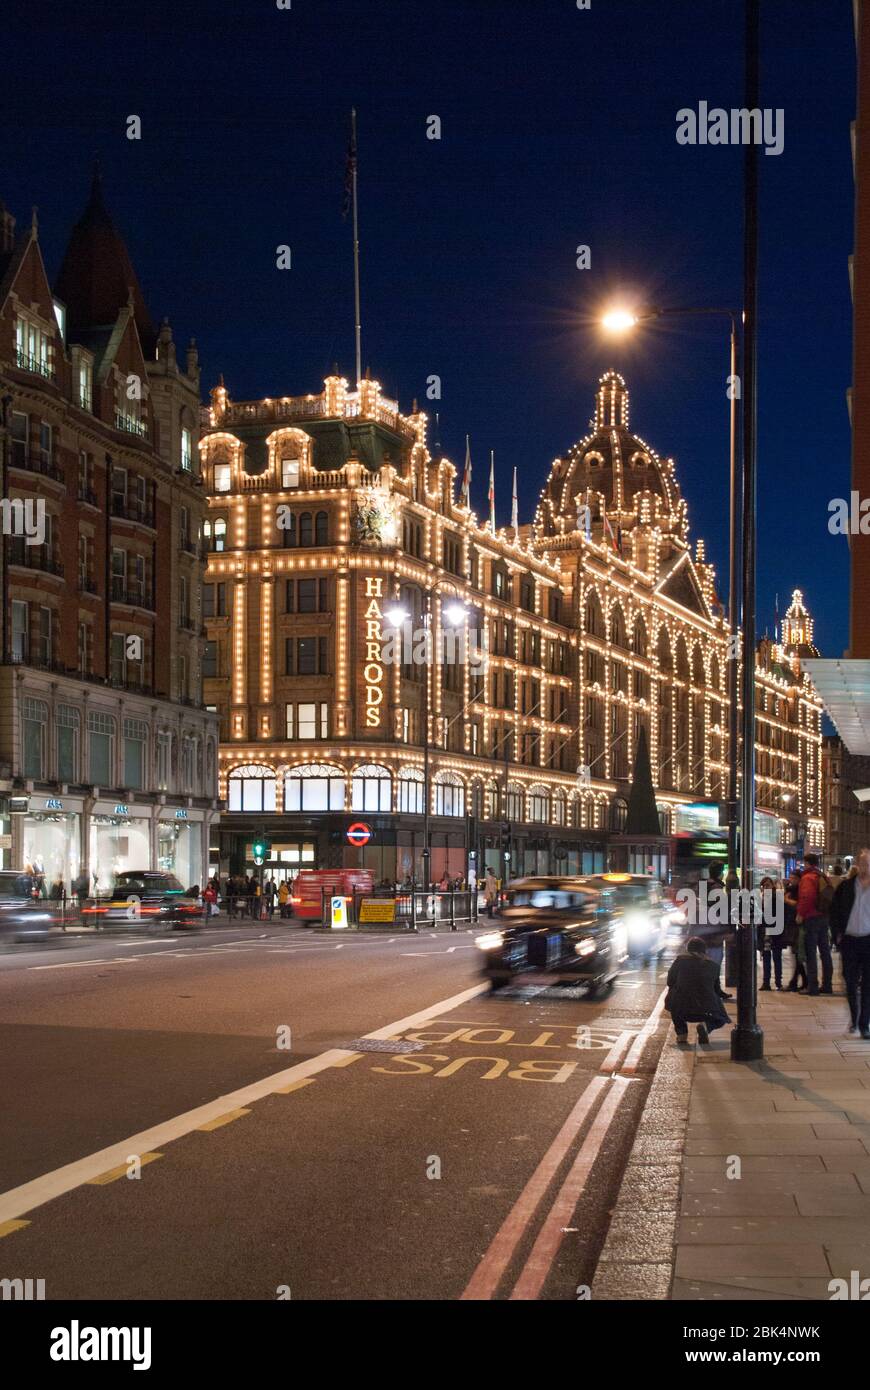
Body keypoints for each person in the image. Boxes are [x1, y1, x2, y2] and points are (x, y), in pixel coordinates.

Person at [831, 847, 870, 1038]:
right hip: (850, 941)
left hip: (869, 941)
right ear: (857, 864)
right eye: (862, 864)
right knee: (851, 981)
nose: (865, 867)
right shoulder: (845, 887)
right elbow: (835, 911)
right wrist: (837, 934)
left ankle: (864, 1025)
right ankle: (854, 1019)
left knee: (868, 986)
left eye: (868, 864)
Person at [665, 936, 731, 1045]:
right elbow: (717, 990)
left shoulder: (680, 961)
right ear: (704, 950)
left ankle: (682, 1035)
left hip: (681, 1008)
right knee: (720, 1014)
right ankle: (705, 1027)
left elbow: (670, 982)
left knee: (675, 996)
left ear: (688, 949)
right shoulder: (713, 966)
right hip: (703, 1010)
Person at [693, 862, 734, 1000]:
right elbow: (721, 911)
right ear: (720, 873)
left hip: (701, 930)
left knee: (705, 962)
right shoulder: (717, 889)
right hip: (714, 931)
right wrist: (727, 930)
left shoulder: (701, 886)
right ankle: (712, 991)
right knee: (714, 962)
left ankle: (713, 989)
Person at [797, 852, 834, 996]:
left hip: (811, 918)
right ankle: (827, 985)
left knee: (811, 952)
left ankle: (812, 986)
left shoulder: (808, 877)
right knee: (825, 952)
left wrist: (801, 913)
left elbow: (807, 897)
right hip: (824, 917)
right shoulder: (822, 876)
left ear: (807, 863)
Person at [758, 875, 785, 991]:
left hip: (775, 931)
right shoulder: (762, 898)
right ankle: (766, 982)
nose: (765, 887)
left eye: (768, 885)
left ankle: (778, 982)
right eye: (764, 886)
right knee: (766, 957)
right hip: (766, 933)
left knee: (777, 957)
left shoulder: (776, 898)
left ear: (772, 886)